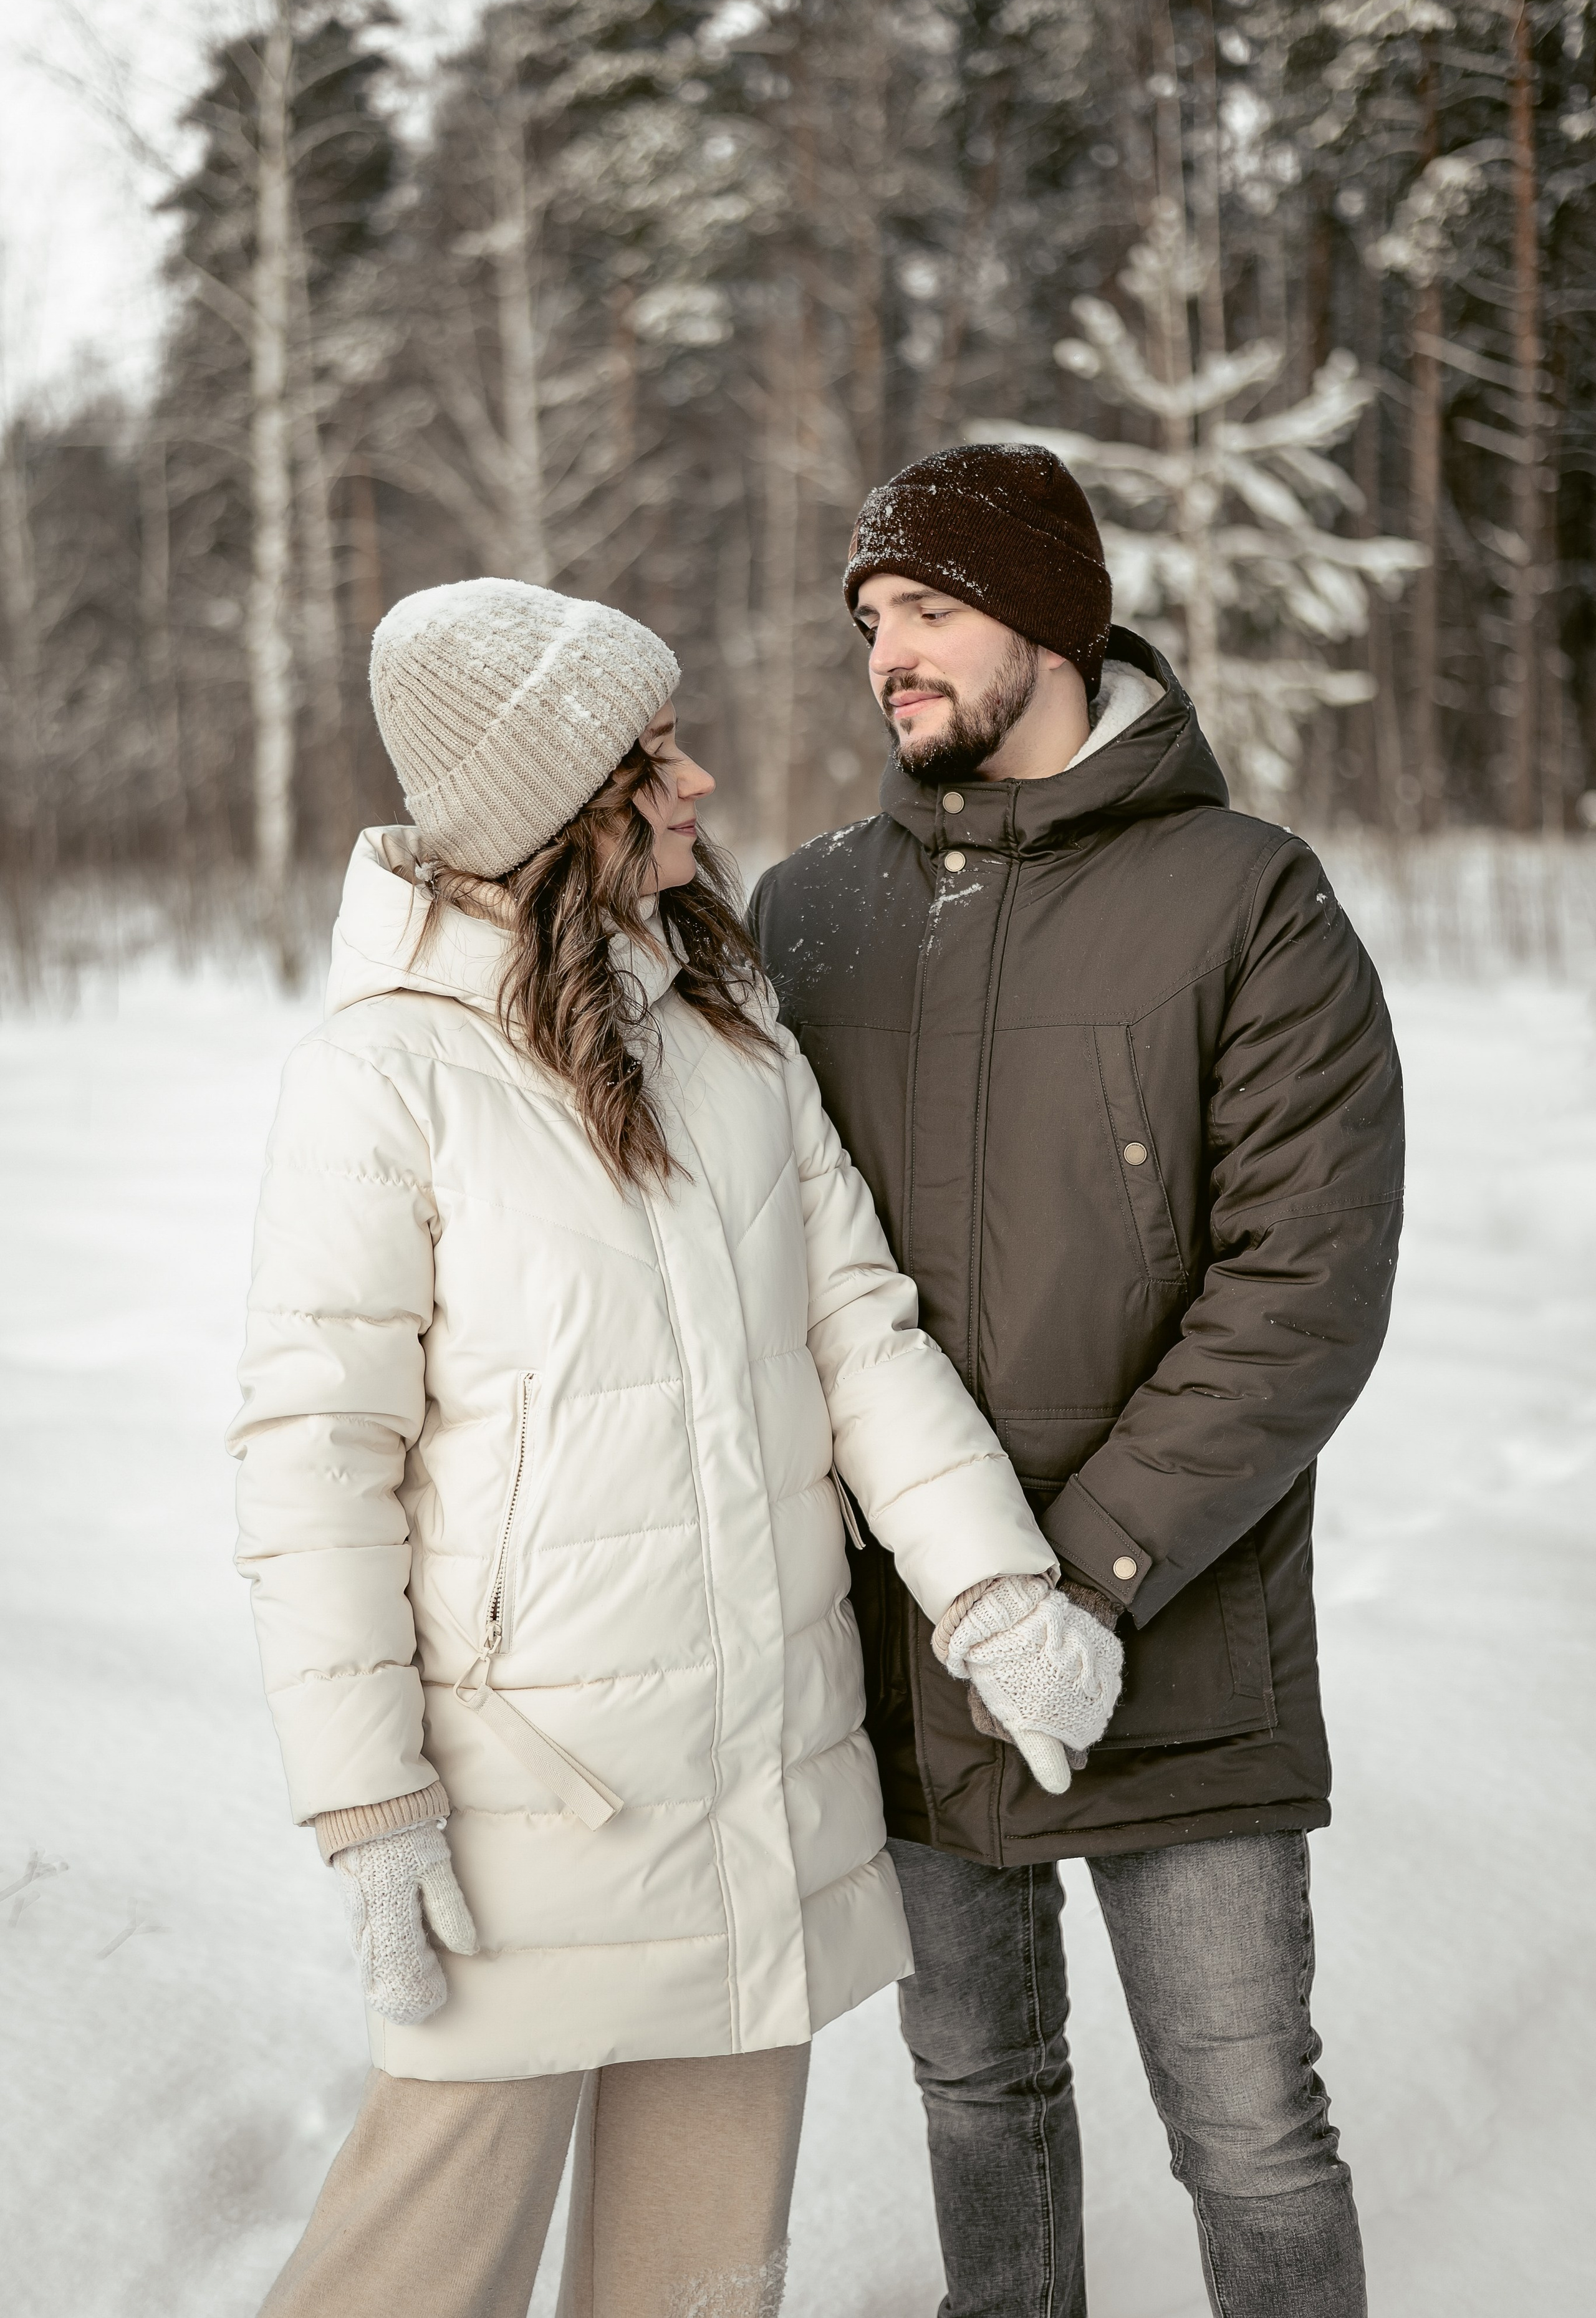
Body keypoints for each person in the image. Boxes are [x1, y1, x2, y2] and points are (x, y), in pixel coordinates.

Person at [228, 575, 1102, 2318]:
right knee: (409, 2273)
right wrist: (369, 1798)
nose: (696, 781)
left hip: (756, 1775)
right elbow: (314, 1451)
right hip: (531, 1791)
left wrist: (995, 1585)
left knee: (704, 2292)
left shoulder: (725, 1031)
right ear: (556, 800)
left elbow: (856, 1330)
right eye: (650, 756)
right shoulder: (389, 1073)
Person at [749, 445, 1405, 2318]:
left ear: (1049, 614)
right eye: (871, 621)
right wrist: (968, 1590)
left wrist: (1083, 1580)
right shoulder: (810, 917)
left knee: (1248, 2120)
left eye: (932, 610)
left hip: (1178, 1639)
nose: (889, 655)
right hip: (915, 1644)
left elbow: (1304, 1286)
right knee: (978, 2087)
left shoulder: (1247, 902)